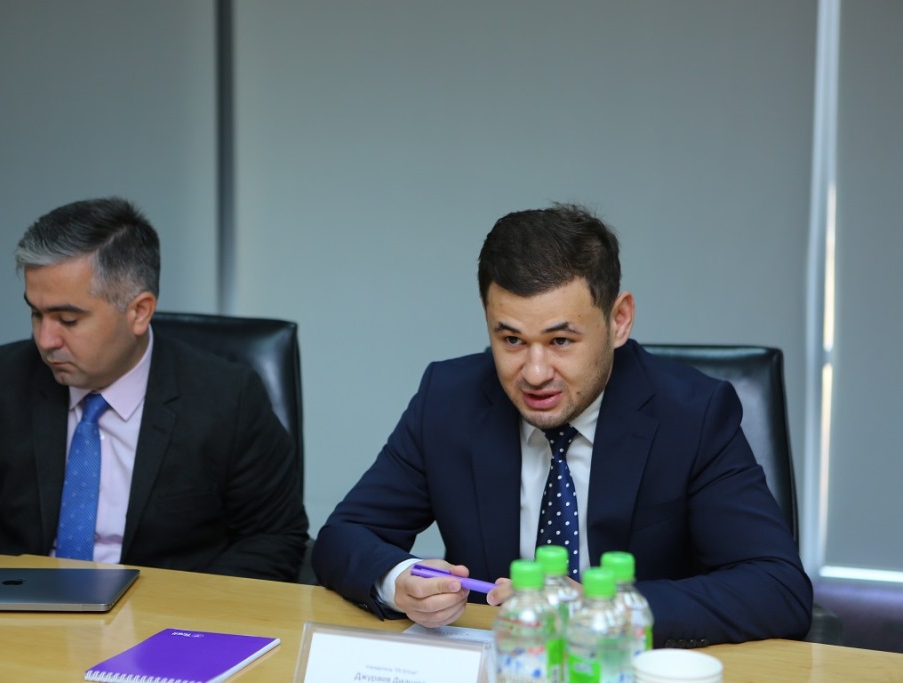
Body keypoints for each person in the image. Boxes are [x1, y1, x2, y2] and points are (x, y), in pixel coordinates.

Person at [312, 203, 812, 646]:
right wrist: (399, 581)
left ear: (619, 320)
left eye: (561, 341)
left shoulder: (693, 414)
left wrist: (605, 611)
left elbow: (777, 586)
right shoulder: (449, 400)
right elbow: (345, 535)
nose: (534, 373)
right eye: (511, 340)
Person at [0, 197, 308, 581]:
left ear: (139, 312)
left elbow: (273, 537)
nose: (45, 340)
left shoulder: (227, 398)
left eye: (67, 320)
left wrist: (188, 618)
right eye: (36, 314)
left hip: (162, 621)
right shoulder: (2, 377)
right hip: (23, 613)